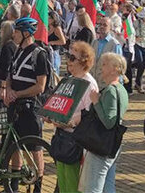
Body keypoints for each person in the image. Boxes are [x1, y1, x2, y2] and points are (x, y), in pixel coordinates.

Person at [1, 17, 49, 193]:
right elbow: (10, 74)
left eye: (16, 31)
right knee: (15, 146)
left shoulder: (39, 54)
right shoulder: (17, 51)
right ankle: (13, 185)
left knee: (35, 148)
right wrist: (8, 89)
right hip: (15, 106)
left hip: (30, 107)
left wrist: (18, 94)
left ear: (26, 33)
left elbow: (40, 86)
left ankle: (38, 186)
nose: (13, 34)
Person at [49, 40, 98, 193]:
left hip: (76, 141)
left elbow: (90, 115)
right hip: (62, 137)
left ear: (84, 61)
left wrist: (70, 123)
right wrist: (50, 114)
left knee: (72, 184)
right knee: (63, 182)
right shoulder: (69, 80)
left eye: (72, 58)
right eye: (67, 56)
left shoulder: (89, 84)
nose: (68, 61)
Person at [81, 52, 129, 193]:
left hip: (101, 144)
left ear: (114, 69)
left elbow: (109, 122)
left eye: (104, 64)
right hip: (113, 144)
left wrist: (96, 101)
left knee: (92, 187)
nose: (101, 68)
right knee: (108, 185)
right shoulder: (121, 89)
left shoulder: (110, 91)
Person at [132, 7, 145, 93]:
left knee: (143, 65)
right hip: (137, 44)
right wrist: (135, 38)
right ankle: (138, 83)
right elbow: (131, 32)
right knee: (140, 62)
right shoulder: (136, 23)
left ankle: (138, 82)